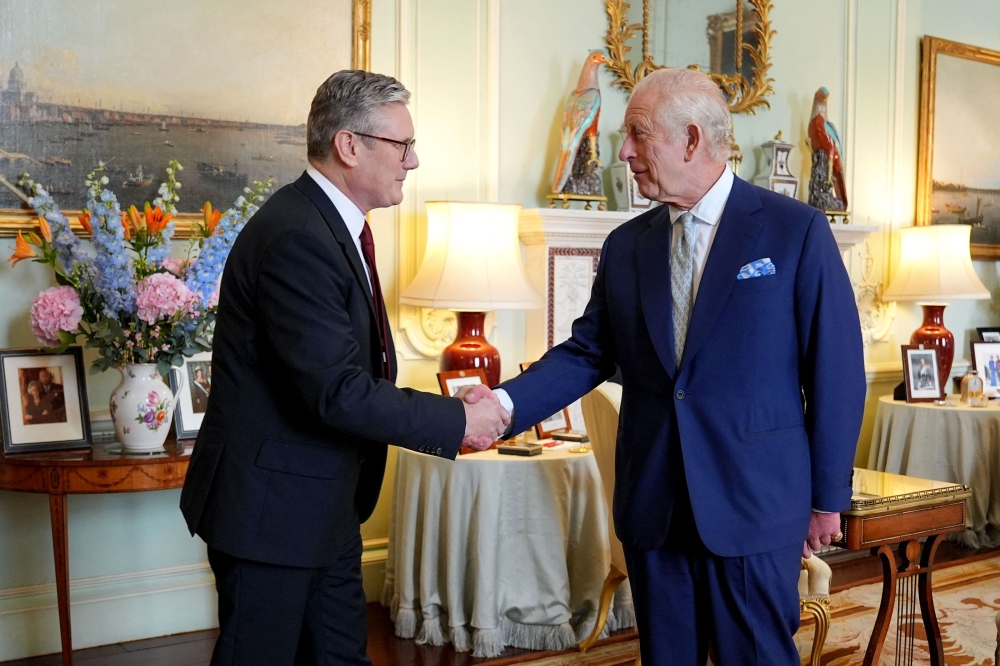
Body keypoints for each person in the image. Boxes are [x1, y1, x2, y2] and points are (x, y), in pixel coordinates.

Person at [463, 68, 865, 665]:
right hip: (655, 505)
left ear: (692, 139)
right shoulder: (628, 245)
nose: (622, 151)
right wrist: (502, 405)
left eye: (637, 134)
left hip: (753, 505)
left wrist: (828, 496)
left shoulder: (794, 230)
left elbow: (835, 370)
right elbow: (589, 351)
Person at [179, 70, 509, 666]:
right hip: (272, 514)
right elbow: (336, 390)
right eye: (402, 145)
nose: (413, 160)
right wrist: (452, 421)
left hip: (321, 506)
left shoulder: (329, 225)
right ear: (349, 145)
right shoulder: (297, 235)